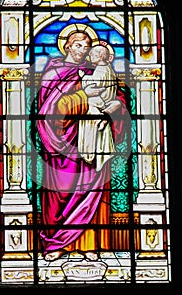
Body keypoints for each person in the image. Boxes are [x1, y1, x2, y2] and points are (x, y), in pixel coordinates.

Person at [36, 30, 127, 262]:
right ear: (66, 46)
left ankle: (90, 244)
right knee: (60, 194)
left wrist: (116, 105)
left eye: (86, 46)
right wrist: (83, 97)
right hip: (61, 146)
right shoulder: (53, 73)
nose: (82, 50)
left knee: (92, 192)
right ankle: (56, 243)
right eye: (78, 45)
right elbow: (50, 110)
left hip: (93, 142)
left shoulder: (95, 72)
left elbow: (116, 97)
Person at [78, 44, 118, 171]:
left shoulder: (100, 70)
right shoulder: (108, 68)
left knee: (91, 102)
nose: (89, 56)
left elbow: (94, 83)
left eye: (92, 54)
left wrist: (83, 77)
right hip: (107, 100)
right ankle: (103, 118)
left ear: (100, 56)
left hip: (101, 100)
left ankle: (101, 118)